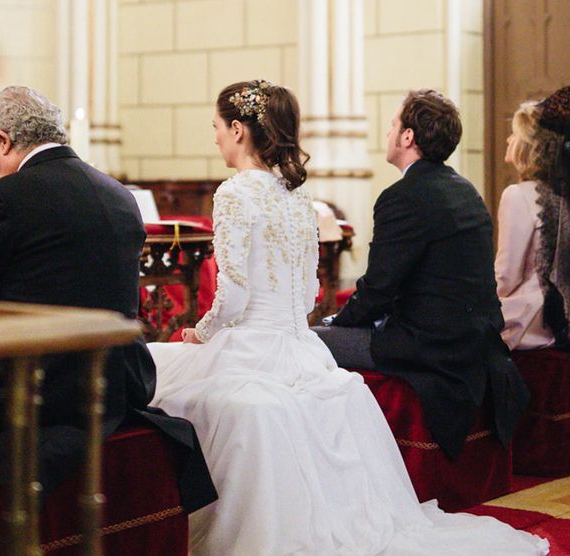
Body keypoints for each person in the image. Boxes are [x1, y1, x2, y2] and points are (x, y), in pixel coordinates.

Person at [148, 80, 547, 556]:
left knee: (159, 374)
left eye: (216, 127)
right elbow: (309, 292)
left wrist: (202, 332)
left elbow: (233, 297)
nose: (214, 137)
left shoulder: (236, 193)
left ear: (237, 130)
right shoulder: (298, 196)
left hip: (263, 345)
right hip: (298, 344)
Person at [0, 85, 216, 513]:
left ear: (2, 140)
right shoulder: (120, 195)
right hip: (115, 384)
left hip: (37, 389)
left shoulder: (6, 197)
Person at [313, 89, 530, 461]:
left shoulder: (402, 196)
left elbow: (378, 290)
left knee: (310, 343)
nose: (387, 133)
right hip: (475, 340)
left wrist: (337, 323)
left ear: (408, 137)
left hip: (430, 345)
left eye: (393, 125)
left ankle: (335, 460)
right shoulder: (466, 190)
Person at [496, 84, 570, 350]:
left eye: (513, 135)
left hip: (531, 324)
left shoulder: (516, 195)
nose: (507, 140)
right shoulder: (562, 196)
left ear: (528, 147)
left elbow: (505, 278)